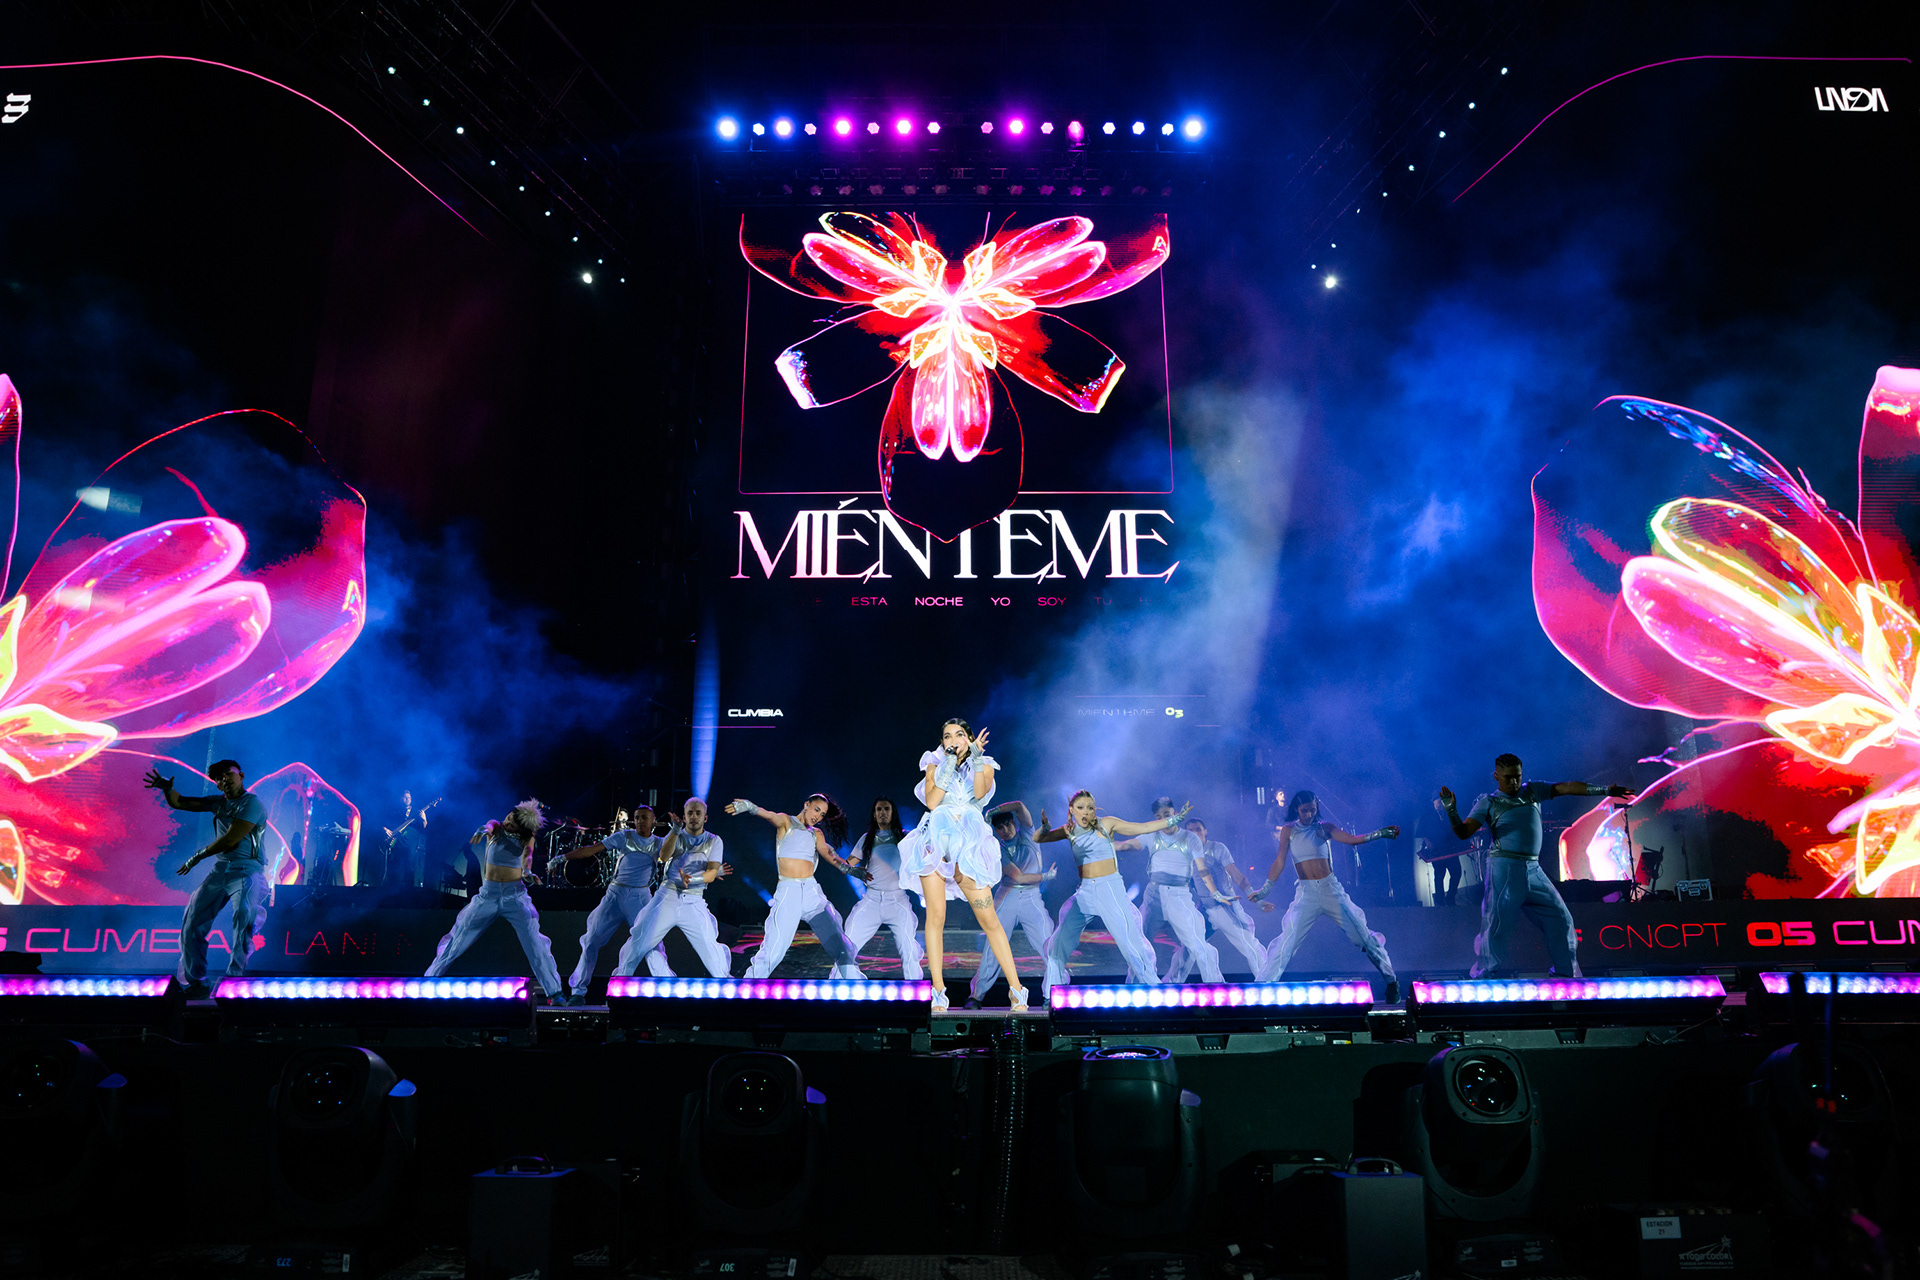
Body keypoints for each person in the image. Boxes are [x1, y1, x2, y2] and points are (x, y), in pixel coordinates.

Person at [1440, 753, 1633, 979]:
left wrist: (1604, 790)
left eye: (1517, 776)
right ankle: (1484, 976)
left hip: (1533, 869)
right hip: (1504, 868)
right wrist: (1451, 810)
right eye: (1508, 777)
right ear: (1496, 776)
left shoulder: (1532, 791)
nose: (1514, 782)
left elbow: (1566, 787)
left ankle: (1565, 974)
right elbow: (1464, 832)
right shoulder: (1489, 803)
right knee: (1496, 925)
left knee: (1561, 919)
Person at [895, 718, 1031, 1012]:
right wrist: (946, 763)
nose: (952, 740)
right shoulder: (933, 765)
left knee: (989, 919)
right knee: (935, 917)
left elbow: (980, 794)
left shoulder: (986, 764)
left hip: (969, 843)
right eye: (947, 736)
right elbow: (932, 802)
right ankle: (938, 991)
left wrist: (977, 758)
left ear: (969, 738)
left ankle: (1017, 990)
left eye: (959, 734)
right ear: (942, 742)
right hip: (935, 841)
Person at [143, 760, 279, 998]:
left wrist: (196, 857)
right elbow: (180, 802)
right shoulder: (218, 803)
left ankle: (234, 979)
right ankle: (197, 982)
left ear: (241, 775)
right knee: (192, 922)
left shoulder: (252, 803)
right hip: (221, 870)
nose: (225, 779)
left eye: (228, 773)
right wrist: (167, 789)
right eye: (219, 778)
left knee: (244, 918)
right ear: (217, 784)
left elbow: (230, 839)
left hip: (248, 870)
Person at [1252, 790, 1400, 1001]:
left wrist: (1379, 834)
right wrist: (1265, 889)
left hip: (1330, 890)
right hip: (1306, 893)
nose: (1309, 814)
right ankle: (1261, 988)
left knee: (1362, 936)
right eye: (1304, 811)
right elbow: (1279, 862)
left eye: (1312, 810)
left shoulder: (1324, 828)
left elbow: (1352, 840)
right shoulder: (1289, 830)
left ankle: (1392, 981)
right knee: (1287, 942)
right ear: (1297, 809)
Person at [1037, 791, 1184, 999]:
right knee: (1058, 943)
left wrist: (1173, 820)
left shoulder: (1106, 824)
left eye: (1090, 807)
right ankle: (1050, 995)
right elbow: (1039, 838)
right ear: (1072, 810)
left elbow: (1142, 828)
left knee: (1131, 943)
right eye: (1080, 807)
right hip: (1084, 892)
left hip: (1109, 889)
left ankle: (1154, 990)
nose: (1086, 812)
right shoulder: (1069, 830)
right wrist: (1044, 828)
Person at [424, 799, 565, 1000]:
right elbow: (488, 826)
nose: (507, 822)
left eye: (512, 823)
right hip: (488, 895)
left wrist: (527, 873)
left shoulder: (527, 838)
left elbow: (527, 858)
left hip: (515, 896)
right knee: (458, 937)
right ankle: (429, 979)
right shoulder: (497, 827)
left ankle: (555, 992)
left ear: (521, 829)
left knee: (535, 943)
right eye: (508, 817)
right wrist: (481, 831)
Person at [729, 793, 867, 980]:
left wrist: (852, 870)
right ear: (806, 805)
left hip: (811, 892)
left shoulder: (816, 834)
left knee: (839, 943)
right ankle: (748, 985)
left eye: (822, 814)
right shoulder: (787, 822)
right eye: (816, 810)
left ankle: (854, 983)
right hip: (789, 892)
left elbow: (830, 855)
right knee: (774, 950)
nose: (818, 816)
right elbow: (770, 816)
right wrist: (751, 807)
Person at [610, 799, 736, 981]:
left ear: (705, 818)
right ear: (684, 816)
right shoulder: (676, 835)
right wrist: (675, 830)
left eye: (698, 813)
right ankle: (620, 981)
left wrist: (693, 879)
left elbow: (711, 874)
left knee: (710, 948)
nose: (694, 817)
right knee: (639, 941)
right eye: (690, 813)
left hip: (693, 900)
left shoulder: (714, 841)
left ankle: (726, 982)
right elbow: (663, 856)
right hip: (667, 897)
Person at [556, 806, 674, 998]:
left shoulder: (659, 843)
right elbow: (590, 850)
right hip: (615, 895)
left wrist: (676, 830)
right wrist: (562, 858)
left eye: (644, 817)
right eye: (637, 818)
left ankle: (668, 988)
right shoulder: (624, 836)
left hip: (640, 898)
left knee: (652, 942)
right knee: (591, 940)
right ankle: (578, 991)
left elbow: (675, 855)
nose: (640, 821)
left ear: (653, 820)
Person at [965, 800, 1058, 1008]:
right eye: (999, 827)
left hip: (1032, 897)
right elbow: (1019, 877)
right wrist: (1046, 876)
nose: (1005, 830)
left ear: (1014, 823)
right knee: (994, 948)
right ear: (996, 831)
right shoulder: (997, 849)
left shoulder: (1029, 833)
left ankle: (1053, 993)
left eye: (1007, 824)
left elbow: (1019, 806)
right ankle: (976, 996)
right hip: (1007, 896)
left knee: (1049, 945)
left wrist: (992, 811)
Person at [1127, 796, 1225, 984]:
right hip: (1154, 894)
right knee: (1140, 943)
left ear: (1175, 813)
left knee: (1197, 943)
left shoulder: (1190, 838)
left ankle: (1216, 987)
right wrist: (1105, 843)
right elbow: (1128, 845)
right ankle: (1134, 987)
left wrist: (1215, 893)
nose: (1163, 819)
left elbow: (1202, 869)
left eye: (1167, 814)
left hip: (1179, 895)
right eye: (1159, 817)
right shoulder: (1152, 835)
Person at [1164, 817, 1271, 980]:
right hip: (1204, 908)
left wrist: (1258, 900)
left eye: (1198, 829)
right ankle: (1172, 984)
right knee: (1189, 946)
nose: (1195, 833)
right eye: (1190, 831)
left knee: (1248, 944)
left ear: (1205, 831)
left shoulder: (1216, 848)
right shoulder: (1185, 855)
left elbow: (1236, 874)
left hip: (1225, 906)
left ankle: (1268, 980)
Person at [844, 797, 925, 979]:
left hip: (897, 901)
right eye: (879, 809)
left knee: (908, 949)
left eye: (886, 809)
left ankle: (914, 987)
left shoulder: (905, 837)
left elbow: (922, 858)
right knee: (847, 944)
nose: (882, 812)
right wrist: (853, 870)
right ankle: (839, 982)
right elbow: (847, 864)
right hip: (871, 901)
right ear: (874, 814)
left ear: (892, 812)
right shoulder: (867, 838)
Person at [1415, 793, 1476, 905]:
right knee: (1439, 875)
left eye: (1441, 802)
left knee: (1456, 873)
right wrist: (1428, 841)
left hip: (1450, 849)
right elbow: (1420, 831)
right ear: (1433, 802)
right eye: (1437, 801)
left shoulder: (1449, 814)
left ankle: (1450, 898)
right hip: (1436, 850)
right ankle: (1439, 902)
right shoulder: (1427, 816)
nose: (1440, 804)